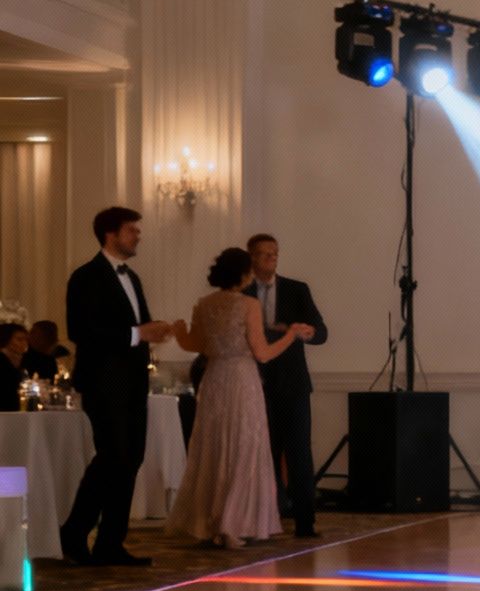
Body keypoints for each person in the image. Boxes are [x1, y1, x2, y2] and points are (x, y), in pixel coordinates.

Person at [166, 248, 313, 547]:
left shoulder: (204, 304)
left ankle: (209, 522)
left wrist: (179, 332)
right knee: (244, 447)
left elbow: (195, 344)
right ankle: (232, 523)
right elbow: (262, 353)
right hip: (243, 380)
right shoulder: (249, 305)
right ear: (245, 274)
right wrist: (291, 335)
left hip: (214, 379)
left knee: (213, 446)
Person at [60, 206, 178, 567]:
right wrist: (136, 334)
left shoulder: (134, 278)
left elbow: (134, 328)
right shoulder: (85, 277)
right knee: (112, 457)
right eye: (132, 230)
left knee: (130, 459)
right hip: (102, 380)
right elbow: (81, 332)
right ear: (111, 234)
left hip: (131, 381)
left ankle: (111, 542)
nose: (138, 235)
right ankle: (74, 532)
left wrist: (151, 331)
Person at [245, 233, 328, 538]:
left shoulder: (296, 289)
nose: (272, 259)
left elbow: (321, 331)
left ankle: (305, 522)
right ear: (251, 257)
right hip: (255, 383)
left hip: (292, 384)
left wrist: (306, 332)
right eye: (265, 254)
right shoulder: (241, 292)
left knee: (299, 454)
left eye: (275, 254)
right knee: (261, 453)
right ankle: (265, 519)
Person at [0, 323, 25, 411]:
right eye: (19, 339)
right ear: (6, 340)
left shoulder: (21, 360)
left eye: (25, 339)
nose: (24, 343)